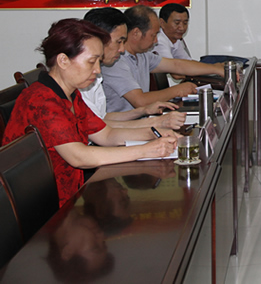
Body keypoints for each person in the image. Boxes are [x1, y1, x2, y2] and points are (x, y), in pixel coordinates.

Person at [1, 19, 178, 207]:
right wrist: (146, 150)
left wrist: (153, 134)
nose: (98, 70)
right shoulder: (42, 100)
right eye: (92, 62)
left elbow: (106, 135)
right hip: (42, 204)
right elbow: (80, 157)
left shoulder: (71, 93)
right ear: (63, 60)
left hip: (69, 191)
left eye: (99, 62)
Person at [101, 5, 225, 112]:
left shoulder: (142, 54)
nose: (156, 41)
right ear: (136, 33)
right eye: (153, 35)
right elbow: (140, 101)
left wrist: (215, 68)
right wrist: (177, 90)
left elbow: (177, 65)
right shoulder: (115, 61)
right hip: (126, 126)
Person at [81, 7, 185, 130]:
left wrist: (143, 111)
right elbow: (96, 129)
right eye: (119, 41)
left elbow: (102, 118)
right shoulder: (82, 79)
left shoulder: (96, 76)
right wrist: (155, 123)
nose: (122, 49)